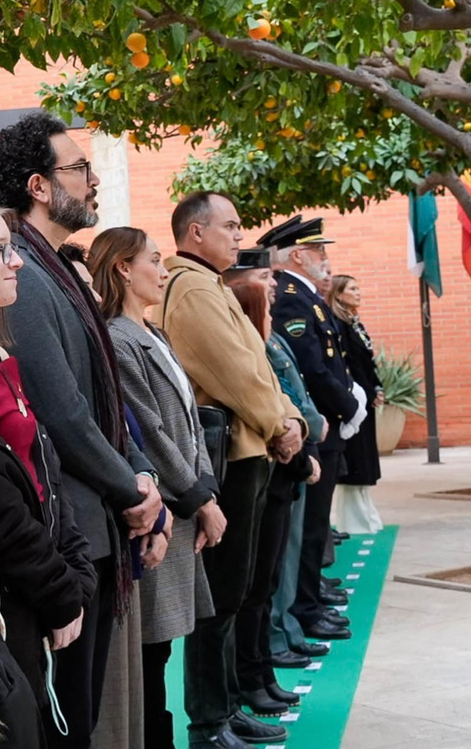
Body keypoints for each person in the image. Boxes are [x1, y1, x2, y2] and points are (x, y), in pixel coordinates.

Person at [0, 112, 164, 749]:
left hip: (99, 515)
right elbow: (62, 411)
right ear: (38, 185)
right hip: (76, 527)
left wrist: (139, 474)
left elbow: (104, 394)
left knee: (89, 711)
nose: (92, 181)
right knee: (73, 721)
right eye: (78, 168)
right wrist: (133, 489)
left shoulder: (55, 265)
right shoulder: (25, 274)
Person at [0, 199, 95, 732]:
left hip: (41, 577)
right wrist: (58, 589)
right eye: (0, 250)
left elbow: (43, 470)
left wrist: (75, 569)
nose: (17, 261)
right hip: (9, 587)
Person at [158, 192, 305, 749]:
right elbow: (233, 373)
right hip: (235, 458)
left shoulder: (210, 284)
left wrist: (289, 420)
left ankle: (228, 706)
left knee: (237, 592)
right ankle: (209, 722)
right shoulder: (191, 287)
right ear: (195, 233)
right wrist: (279, 424)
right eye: (231, 226)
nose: (240, 236)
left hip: (253, 450)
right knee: (219, 598)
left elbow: (260, 367)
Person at [89, 227, 225, 749]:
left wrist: (205, 489)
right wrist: (198, 498)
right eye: (154, 260)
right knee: (149, 656)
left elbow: (188, 422)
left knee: (162, 650)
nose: (164, 270)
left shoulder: (154, 333)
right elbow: (150, 431)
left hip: (186, 504)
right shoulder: (118, 339)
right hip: (160, 514)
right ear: (123, 268)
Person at [221, 272, 316, 722]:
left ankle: (261, 675)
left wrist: (298, 429)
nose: (273, 299)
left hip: (281, 471)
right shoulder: (253, 347)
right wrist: (298, 451)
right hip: (269, 472)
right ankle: (250, 678)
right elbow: (264, 406)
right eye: (265, 297)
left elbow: (287, 398)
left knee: (266, 584)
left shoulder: (269, 343)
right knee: (252, 589)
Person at [263, 216, 358, 647]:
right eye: (319, 252)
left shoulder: (306, 298)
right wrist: (346, 406)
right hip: (315, 426)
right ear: (298, 255)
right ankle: (304, 607)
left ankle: (309, 599)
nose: (326, 259)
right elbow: (312, 370)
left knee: (316, 525)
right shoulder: (289, 298)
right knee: (308, 527)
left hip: (326, 424)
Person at [328, 276, 384, 534]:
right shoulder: (339, 325)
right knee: (356, 459)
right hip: (354, 400)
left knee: (366, 458)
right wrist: (366, 391)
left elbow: (368, 361)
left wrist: (378, 387)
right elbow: (350, 366)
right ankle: (354, 520)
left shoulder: (354, 322)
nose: (358, 292)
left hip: (367, 398)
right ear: (338, 294)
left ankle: (366, 514)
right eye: (351, 288)